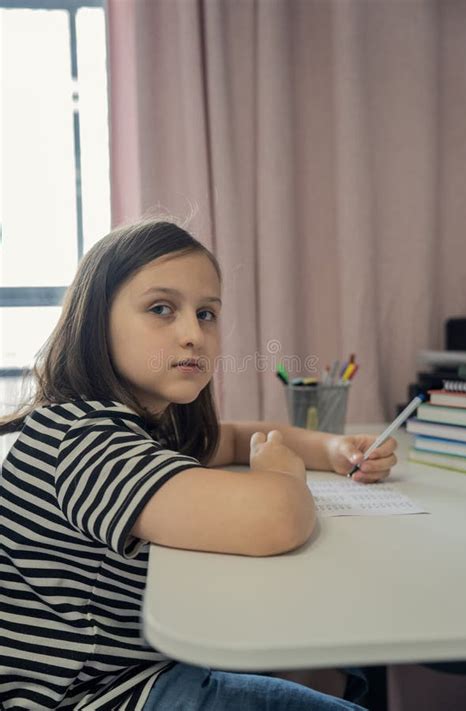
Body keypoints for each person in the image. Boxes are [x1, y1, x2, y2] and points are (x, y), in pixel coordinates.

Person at [0, 219, 397, 710]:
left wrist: (332, 449)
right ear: (96, 320)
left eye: (206, 313)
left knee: (328, 655)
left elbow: (231, 439)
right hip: (93, 696)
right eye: (161, 309)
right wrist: (282, 474)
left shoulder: (143, 426)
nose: (193, 334)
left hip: (138, 669)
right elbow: (275, 518)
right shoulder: (83, 440)